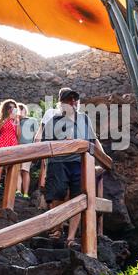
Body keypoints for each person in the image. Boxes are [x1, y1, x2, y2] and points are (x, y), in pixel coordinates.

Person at [39, 87, 106, 247]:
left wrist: (103, 158)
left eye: (75, 99)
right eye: (69, 100)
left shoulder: (84, 119)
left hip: (79, 162)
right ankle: (57, 228)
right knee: (58, 194)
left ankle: (70, 238)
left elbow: (93, 139)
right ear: (61, 103)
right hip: (58, 162)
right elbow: (44, 144)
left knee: (78, 197)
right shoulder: (53, 121)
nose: (73, 102)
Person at [0, 99, 21, 196]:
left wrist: (17, 122)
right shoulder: (1, 118)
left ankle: (7, 192)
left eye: (13, 107)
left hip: (12, 142)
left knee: (10, 168)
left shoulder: (16, 120)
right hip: (3, 141)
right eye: (9, 107)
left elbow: (18, 135)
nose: (11, 109)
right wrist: (7, 119)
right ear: (5, 108)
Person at [16, 103, 39, 198]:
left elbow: (37, 135)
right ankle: (18, 190)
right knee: (16, 170)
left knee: (25, 170)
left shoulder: (32, 120)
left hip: (28, 148)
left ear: (26, 110)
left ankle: (25, 193)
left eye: (22, 109)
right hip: (16, 148)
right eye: (18, 109)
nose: (20, 111)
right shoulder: (15, 121)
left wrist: (35, 149)